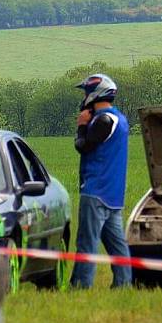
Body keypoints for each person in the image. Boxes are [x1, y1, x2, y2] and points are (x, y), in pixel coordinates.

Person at [69, 73, 132, 288]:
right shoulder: (120, 119)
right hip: (113, 193)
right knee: (117, 245)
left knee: (87, 243)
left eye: (86, 92)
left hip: (96, 191)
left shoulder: (103, 120)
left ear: (94, 94)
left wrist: (81, 125)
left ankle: (80, 286)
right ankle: (123, 285)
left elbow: (83, 146)